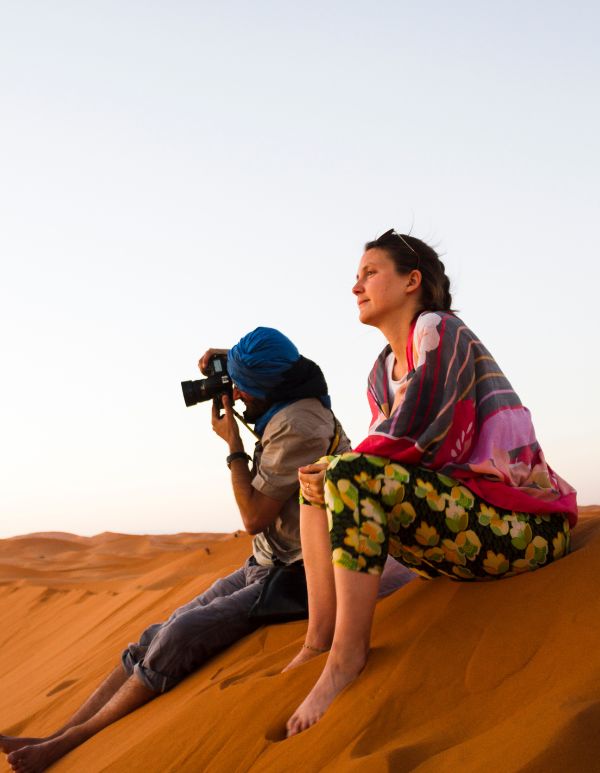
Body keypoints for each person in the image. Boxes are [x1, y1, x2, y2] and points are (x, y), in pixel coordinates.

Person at [2, 327, 358, 773]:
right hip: (268, 560)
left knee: (179, 636)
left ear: (266, 386)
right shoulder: (291, 386)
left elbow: (253, 519)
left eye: (242, 386)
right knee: (156, 631)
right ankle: (56, 733)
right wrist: (229, 358)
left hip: (297, 573)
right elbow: (275, 363)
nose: (238, 395)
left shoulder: (299, 425)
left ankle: (71, 742)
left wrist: (233, 446)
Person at [284, 230, 578, 737]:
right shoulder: (381, 373)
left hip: (524, 527)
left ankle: (346, 657)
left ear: (411, 281)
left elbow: (421, 432)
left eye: (370, 273)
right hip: (464, 530)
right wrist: (329, 473)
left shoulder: (439, 330)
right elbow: (388, 454)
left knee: (344, 472)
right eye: (356, 277)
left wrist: (340, 467)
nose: (356, 286)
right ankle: (318, 639)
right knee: (317, 483)